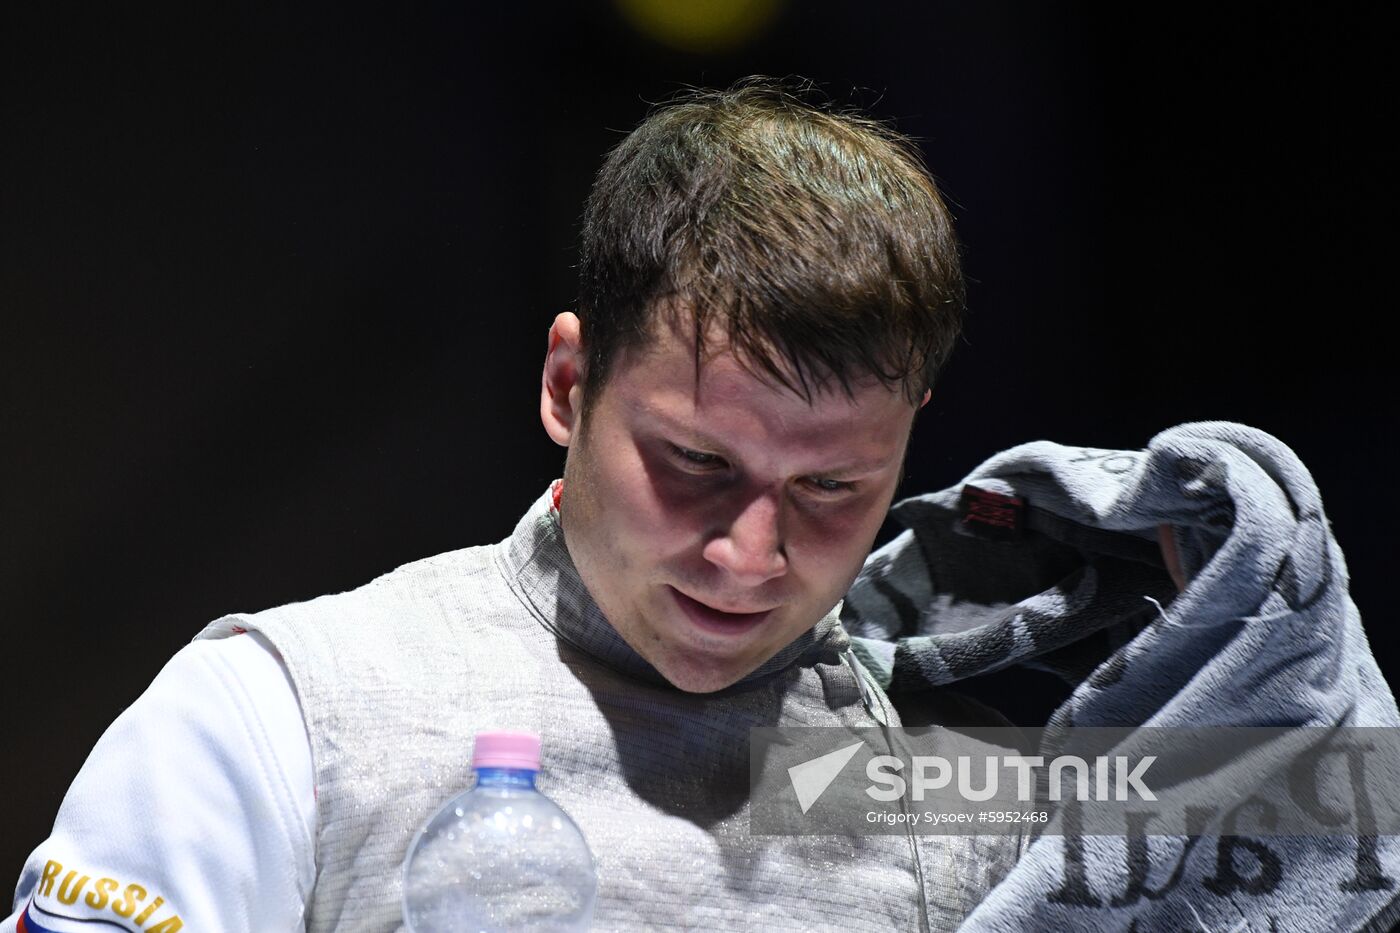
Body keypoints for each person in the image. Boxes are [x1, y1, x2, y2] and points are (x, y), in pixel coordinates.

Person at [4, 79, 1027, 932]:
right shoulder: (288, 716)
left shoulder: (975, 774)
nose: (749, 555)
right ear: (569, 384)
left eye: (829, 486)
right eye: (696, 461)